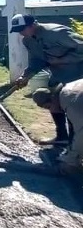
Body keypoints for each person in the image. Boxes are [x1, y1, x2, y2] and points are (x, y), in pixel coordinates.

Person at [12, 15, 83, 145]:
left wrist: (62, 60)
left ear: (33, 24)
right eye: (18, 30)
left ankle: (75, 145)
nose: (21, 33)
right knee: (49, 99)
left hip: (78, 77)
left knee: (73, 108)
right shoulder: (28, 41)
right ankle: (62, 137)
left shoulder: (57, 33)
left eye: (23, 29)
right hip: (59, 77)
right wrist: (25, 76)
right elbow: (37, 61)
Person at [34, 81, 83, 173]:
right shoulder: (68, 89)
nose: (52, 111)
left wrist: (71, 160)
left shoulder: (71, 103)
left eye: (48, 107)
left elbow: (81, 133)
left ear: (52, 98)